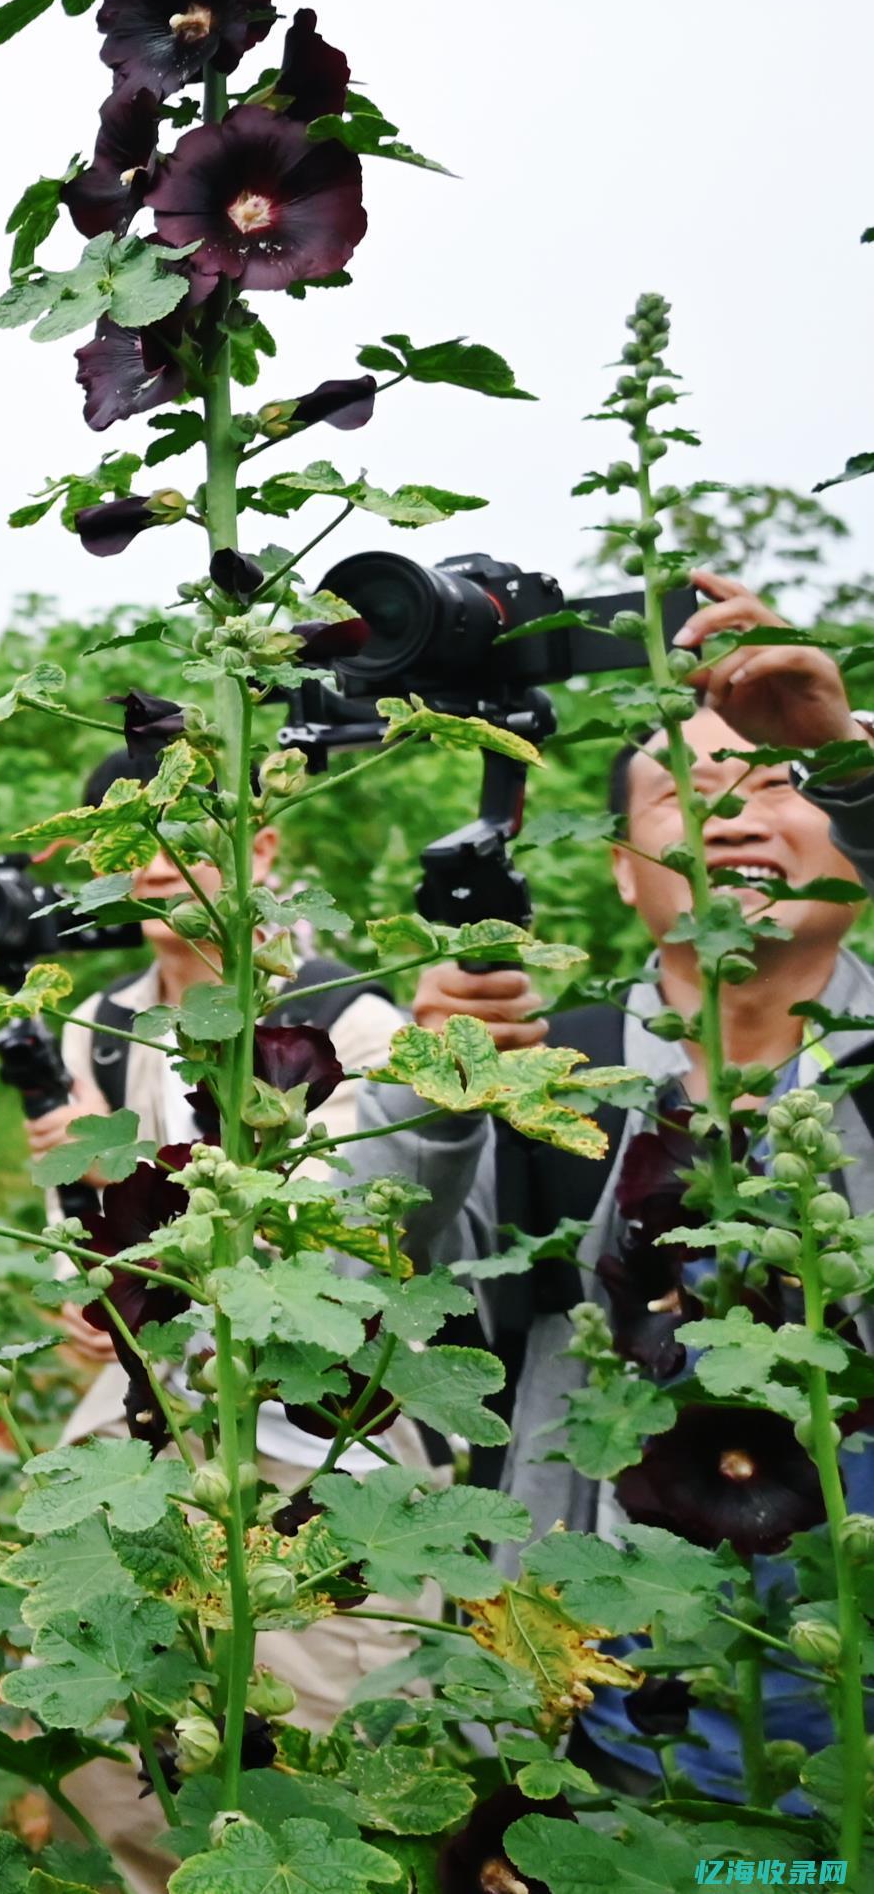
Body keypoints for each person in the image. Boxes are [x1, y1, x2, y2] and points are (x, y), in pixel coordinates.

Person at [408, 578, 874, 1801]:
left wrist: (846, 754)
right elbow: (382, 1296)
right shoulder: (544, 1069)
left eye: (781, 783)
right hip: (614, 1741)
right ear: (623, 872)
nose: (736, 813)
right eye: (685, 790)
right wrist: (430, 1097)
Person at [26, 747, 473, 1891]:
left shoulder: (354, 1020)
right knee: (117, 1737)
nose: (159, 870)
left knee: (316, 1729)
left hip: (320, 1425)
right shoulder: (102, 1022)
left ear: (259, 848)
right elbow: (94, 1242)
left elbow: (376, 1247)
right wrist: (89, 1261)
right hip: (157, 1412)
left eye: (188, 837)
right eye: (133, 851)